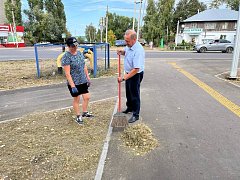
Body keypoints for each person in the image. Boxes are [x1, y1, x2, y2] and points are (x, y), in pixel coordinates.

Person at [62, 37, 93, 125]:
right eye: (72, 46)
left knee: (87, 97)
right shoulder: (66, 57)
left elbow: (84, 66)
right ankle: (78, 116)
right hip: (74, 82)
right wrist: (72, 86)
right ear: (68, 46)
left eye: (76, 45)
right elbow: (67, 73)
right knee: (77, 99)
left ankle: (85, 112)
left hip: (83, 80)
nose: (75, 47)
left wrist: (88, 77)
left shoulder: (79, 53)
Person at [117, 30, 145, 123]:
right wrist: (122, 52)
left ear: (134, 39)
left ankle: (135, 114)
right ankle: (129, 107)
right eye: (125, 40)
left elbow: (136, 69)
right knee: (128, 92)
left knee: (134, 94)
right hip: (129, 72)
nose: (126, 43)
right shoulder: (129, 46)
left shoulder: (138, 50)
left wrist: (124, 78)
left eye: (127, 41)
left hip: (135, 74)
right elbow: (127, 52)